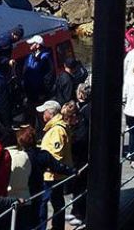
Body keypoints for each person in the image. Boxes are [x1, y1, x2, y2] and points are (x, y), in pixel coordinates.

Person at [16, 125, 73, 230]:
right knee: (39, 214)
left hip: (24, 191)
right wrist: (73, 171)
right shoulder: (42, 155)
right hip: (38, 189)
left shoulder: (20, 156)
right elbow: (58, 166)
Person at [39, 101, 77, 230]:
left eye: (44, 112)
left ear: (50, 113)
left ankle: (47, 227)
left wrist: (42, 162)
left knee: (45, 203)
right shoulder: (57, 127)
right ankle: (57, 226)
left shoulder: (56, 130)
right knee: (57, 202)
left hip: (52, 176)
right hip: (55, 174)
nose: (42, 114)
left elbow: (56, 156)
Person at [68, 83, 91, 227]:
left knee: (80, 186)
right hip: (82, 156)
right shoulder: (88, 108)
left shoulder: (84, 112)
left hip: (81, 158)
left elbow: (81, 136)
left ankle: (79, 212)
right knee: (79, 186)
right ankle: (77, 210)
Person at [22, 35, 54, 109]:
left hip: (40, 92)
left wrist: (43, 91)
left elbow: (48, 76)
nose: (29, 45)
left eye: (32, 43)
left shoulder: (45, 57)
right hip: (30, 91)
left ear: (37, 45)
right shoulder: (30, 56)